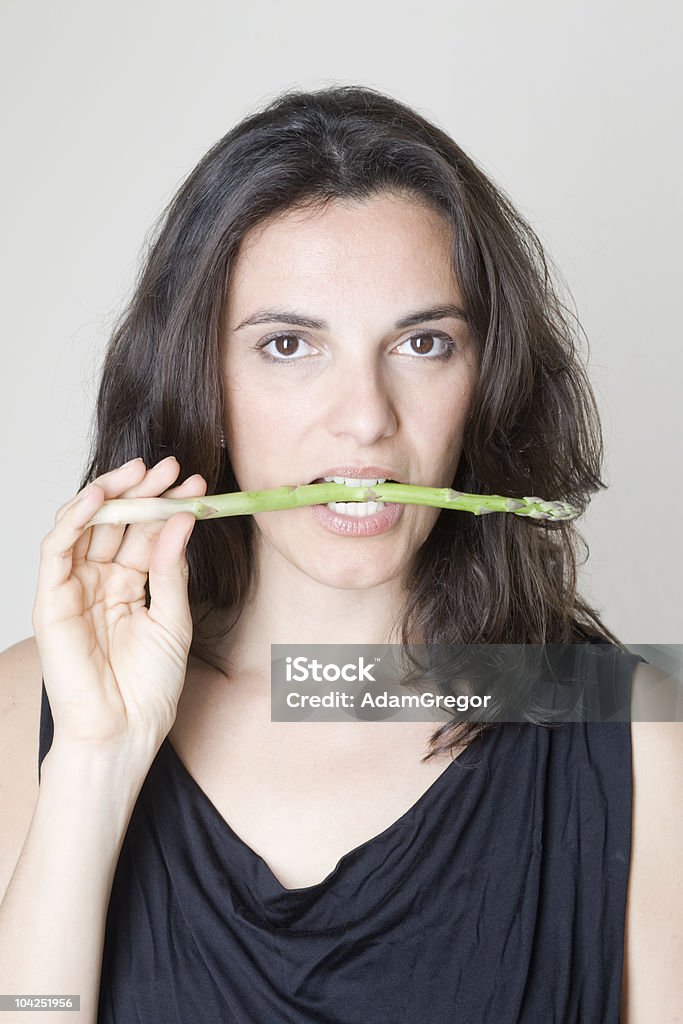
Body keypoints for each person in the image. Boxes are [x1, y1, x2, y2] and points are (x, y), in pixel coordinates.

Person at [0, 85, 680, 1023]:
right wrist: (95, 762)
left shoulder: (641, 733)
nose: (365, 418)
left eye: (421, 342)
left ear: (484, 379)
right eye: (288, 344)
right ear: (203, 380)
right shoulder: (28, 709)